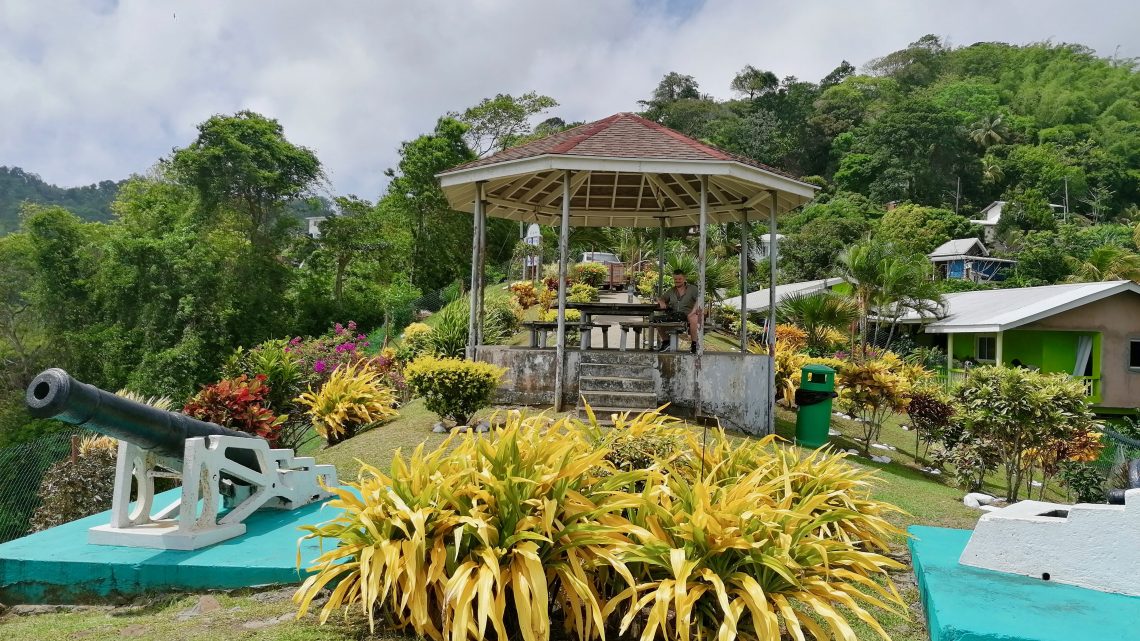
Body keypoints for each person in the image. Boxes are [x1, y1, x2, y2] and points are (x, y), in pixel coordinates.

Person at [655, 269, 701, 353]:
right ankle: (666, 342)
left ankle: (694, 344)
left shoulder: (692, 289)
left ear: (684, 279)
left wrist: (693, 311)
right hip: (674, 314)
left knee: (694, 318)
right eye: (675, 279)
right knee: (656, 319)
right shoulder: (671, 291)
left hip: (687, 314)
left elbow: (700, 299)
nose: (677, 281)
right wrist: (661, 301)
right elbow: (660, 298)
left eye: (679, 279)